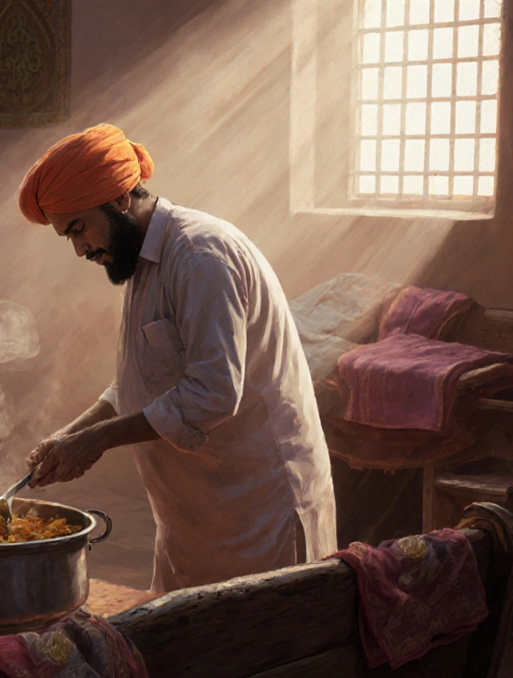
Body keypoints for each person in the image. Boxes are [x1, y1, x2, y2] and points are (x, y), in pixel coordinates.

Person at [18, 124, 336, 593]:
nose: (79, 248)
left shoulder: (199, 255)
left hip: (257, 510)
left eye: (79, 228)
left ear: (120, 199)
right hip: (197, 516)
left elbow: (212, 393)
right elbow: (141, 380)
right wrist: (74, 434)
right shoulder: (146, 263)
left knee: (266, 656)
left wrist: (97, 441)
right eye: (69, 235)